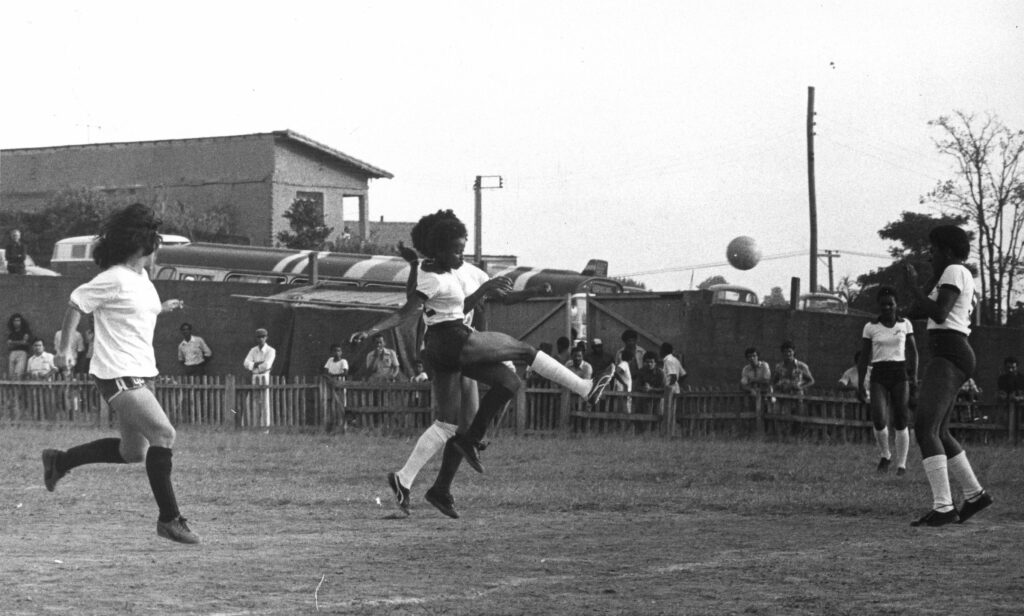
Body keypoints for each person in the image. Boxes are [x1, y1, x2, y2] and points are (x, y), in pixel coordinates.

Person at [352, 210, 613, 517]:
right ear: (437, 247)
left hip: (445, 348)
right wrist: (372, 330)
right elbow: (421, 308)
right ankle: (584, 388)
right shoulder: (432, 274)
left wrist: (529, 291)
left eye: (463, 248)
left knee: (480, 401)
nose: (461, 254)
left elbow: (501, 295)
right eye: (455, 249)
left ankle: (413, 481)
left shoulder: (455, 269)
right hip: (454, 339)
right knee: (524, 352)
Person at [41, 203, 199, 544]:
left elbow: (137, 310)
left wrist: (164, 308)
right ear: (145, 245)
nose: (159, 248)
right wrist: (64, 349)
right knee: (164, 434)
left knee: (134, 453)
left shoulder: (140, 278)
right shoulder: (112, 278)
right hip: (117, 373)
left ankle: (60, 460)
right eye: (156, 242)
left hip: (140, 371)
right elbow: (76, 302)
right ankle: (170, 519)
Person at [904, 224, 992, 527]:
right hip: (953, 352)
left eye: (934, 249)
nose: (930, 254)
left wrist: (915, 286)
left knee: (925, 427)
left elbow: (940, 313)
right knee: (939, 431)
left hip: (950, 353)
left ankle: (943, 507)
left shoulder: (955, 270)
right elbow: (923, 310)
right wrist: (908, 304)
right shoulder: (950, 273)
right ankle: (975, 494)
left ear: (949, 251)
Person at [856, 285, 918, 475]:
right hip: (879, 374)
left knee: (901, 418)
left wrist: (913, 377)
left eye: (890, 304)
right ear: (878, 306)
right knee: (879, 418)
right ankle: (885, 455)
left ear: (896, 305)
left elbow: (913, 352)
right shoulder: (870, 327)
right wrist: (860, 384)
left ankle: (901, 464)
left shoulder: (905, 324)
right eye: (883, 305)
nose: (887, 308)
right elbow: (864, 357)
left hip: (899, 373)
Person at [243, 328, 275, 428]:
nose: (261, 339)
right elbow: (245, 363)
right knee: (252, 401)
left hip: (264, 377)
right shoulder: (253, 350)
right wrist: (256, 364)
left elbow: (267, 365)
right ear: (256, 338)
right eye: (259, 337)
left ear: (266, 338)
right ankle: (249, 425)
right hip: (254, 377)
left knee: (264, 402)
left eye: (263, 337)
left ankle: (265, 427)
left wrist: (254, 367)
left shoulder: (271, 350)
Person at [323, 343, 350, 429]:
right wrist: (330, 377)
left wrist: (334, 376)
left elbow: (345, 373)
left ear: (341, 352)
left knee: (341, 404)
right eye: (334, 351)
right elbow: (325, 371)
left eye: (338, 351)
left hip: (340, 386)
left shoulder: (343, 361)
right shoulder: (330, 360)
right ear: (331, 352)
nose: (336, 353)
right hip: (330, 385)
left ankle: (342, 424)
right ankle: (331, 425)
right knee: (330, 403)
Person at [7, 312, 32, 379]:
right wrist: (18, 342)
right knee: (11, 375)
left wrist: (13, 342)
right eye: (14, 321)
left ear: (21, 321)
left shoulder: (25, 331)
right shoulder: (11, 334)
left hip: (22, 353)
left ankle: (18, 389)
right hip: (12, 353)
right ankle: (13, 389)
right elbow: (9, 346)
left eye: (18, 320)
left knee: (18, 374)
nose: (16, 322)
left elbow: (24, 342)